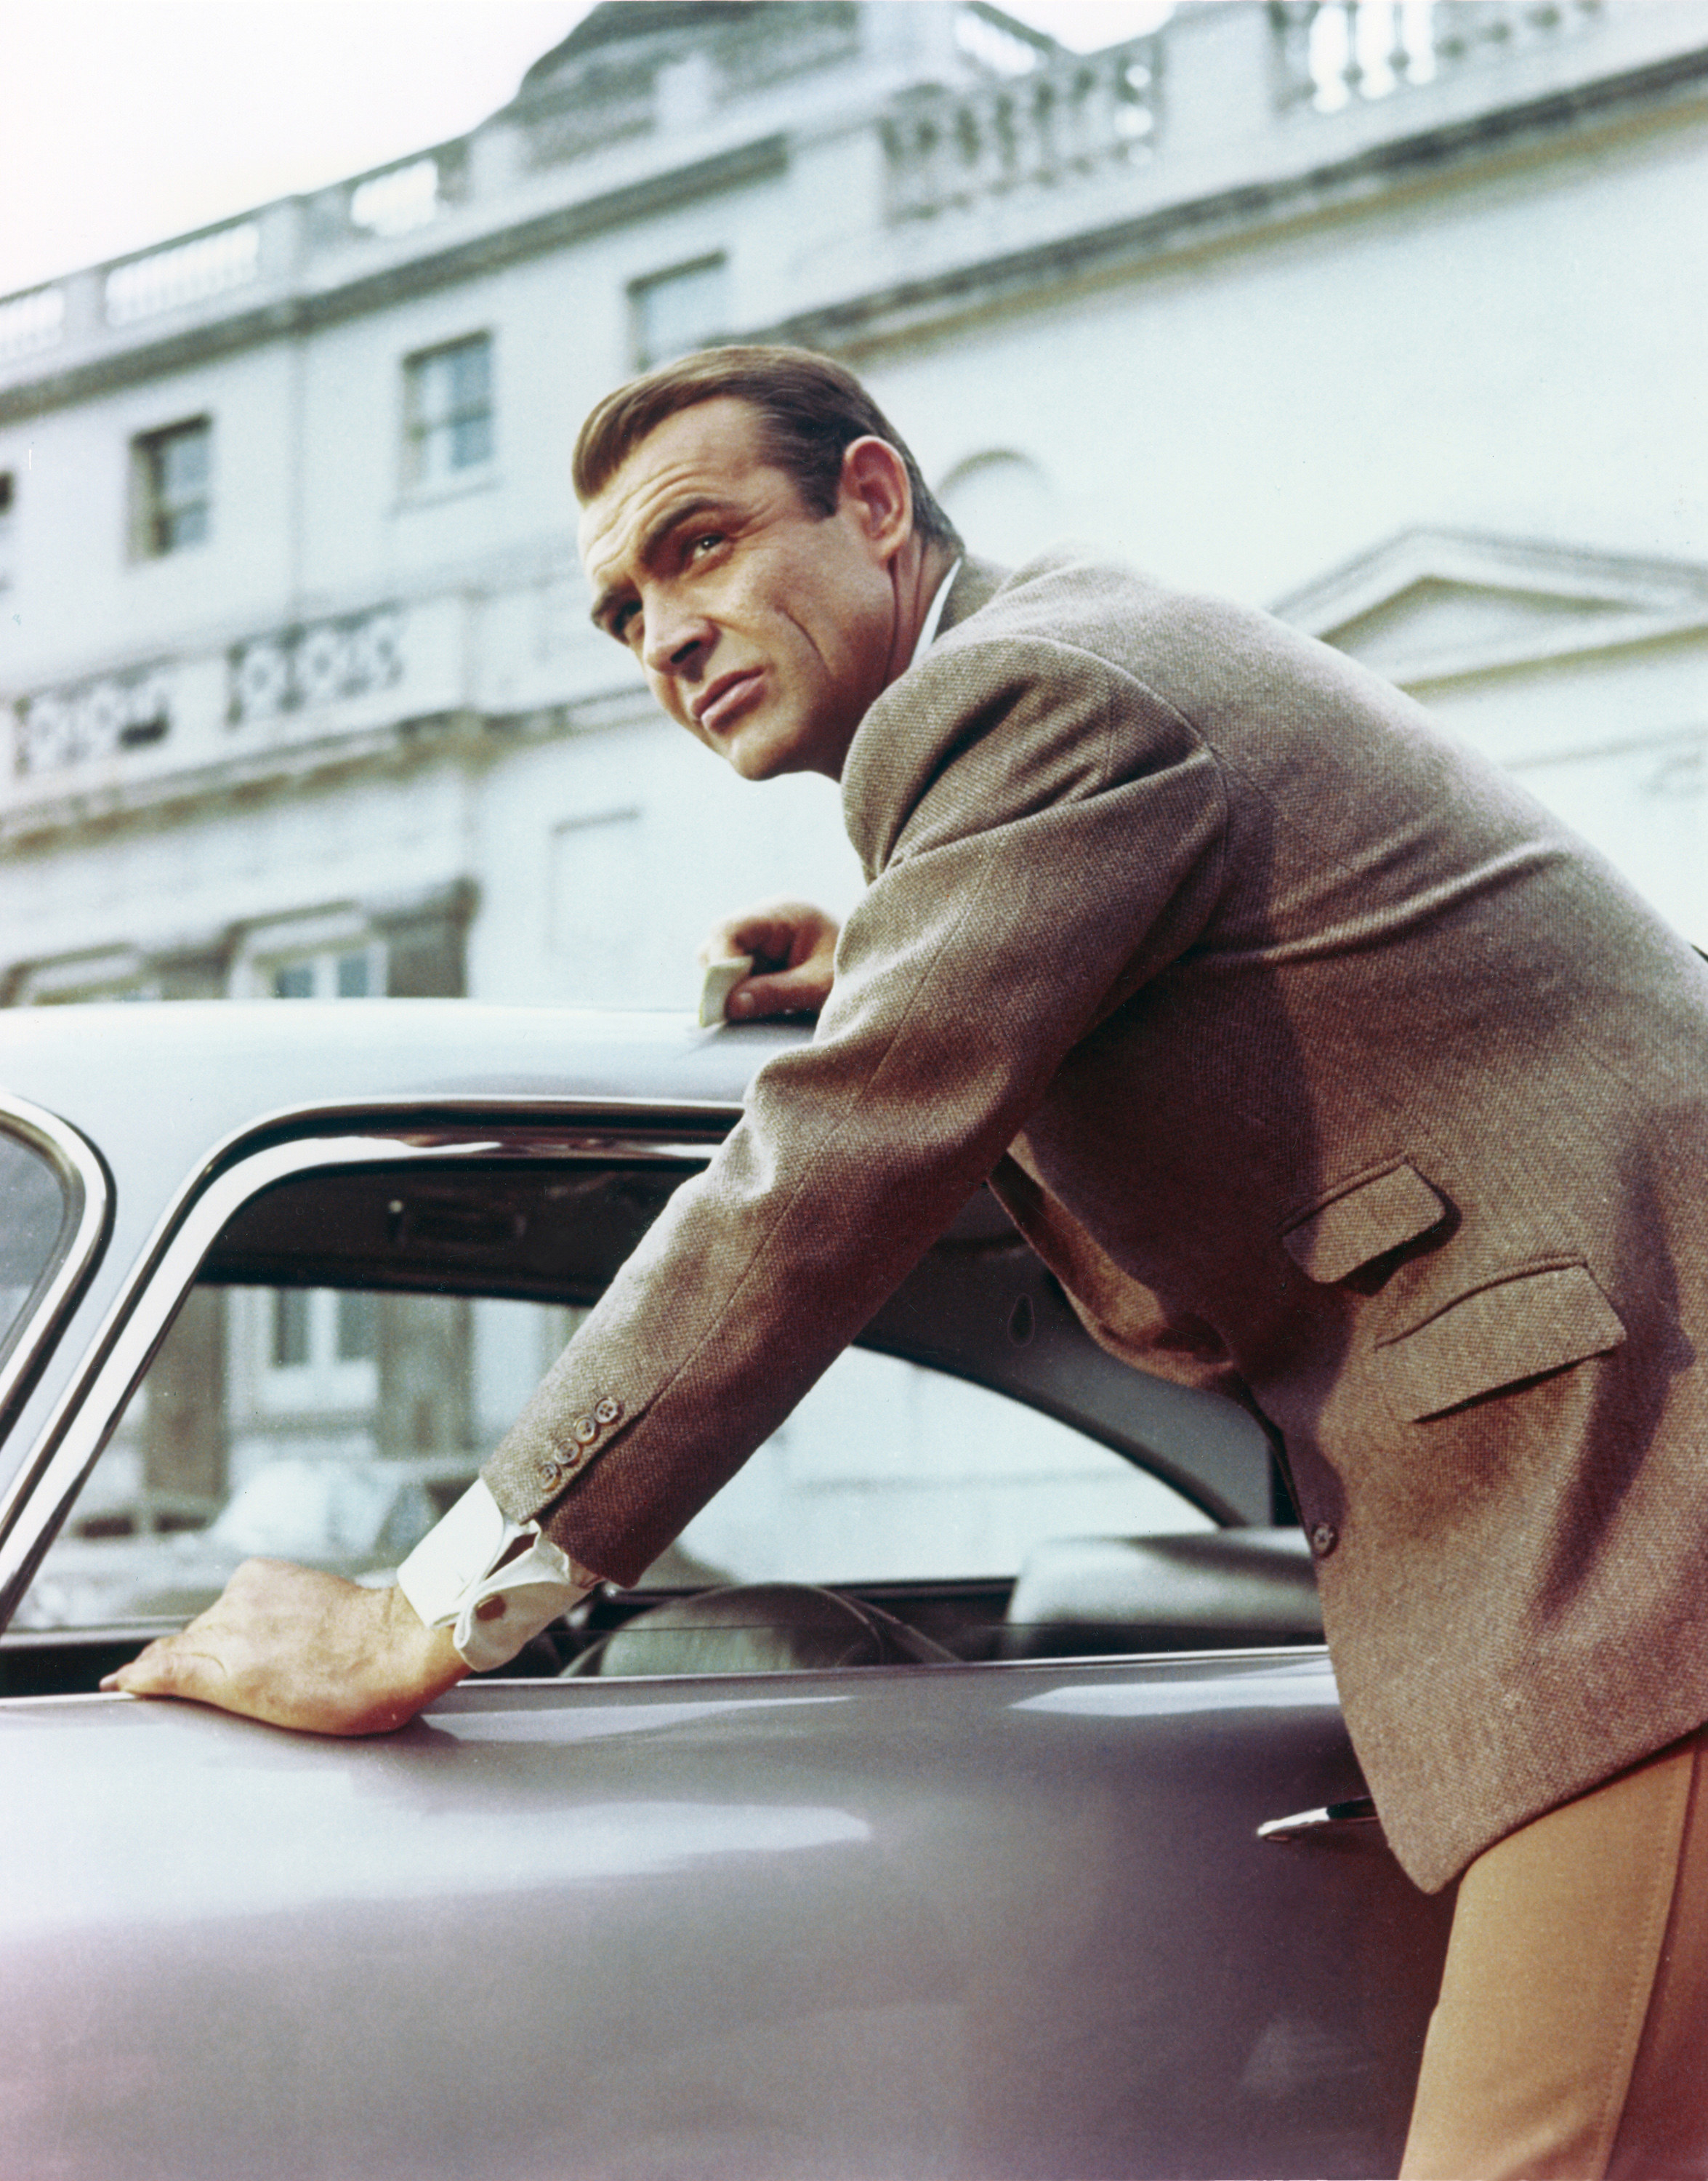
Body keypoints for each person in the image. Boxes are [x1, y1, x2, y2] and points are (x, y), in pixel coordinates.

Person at [108, 346, 1708, 2176]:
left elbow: (818, 1177)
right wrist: (901, 936)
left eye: (699, 548)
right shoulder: (1063, 690)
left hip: (1638, 1506)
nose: (662, 633)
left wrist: (425, 1616)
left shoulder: (1030, 689)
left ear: (873, 502)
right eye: (622, 610)